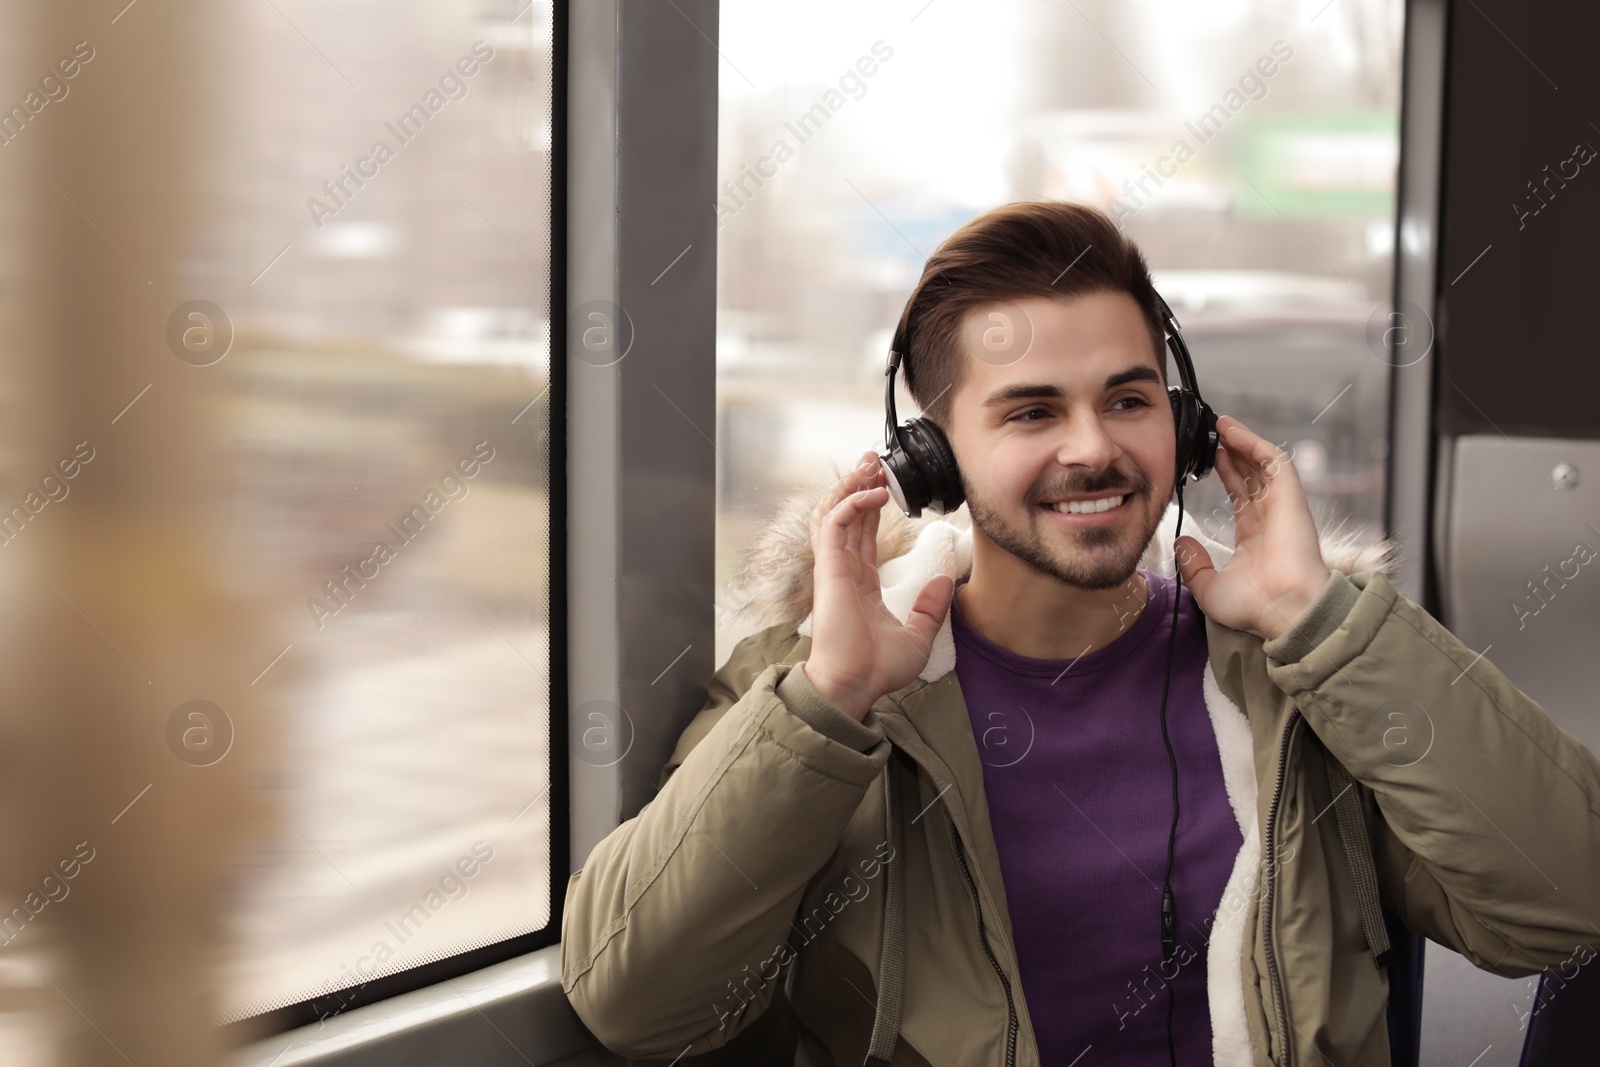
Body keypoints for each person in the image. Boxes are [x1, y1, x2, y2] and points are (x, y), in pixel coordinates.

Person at [560, 200, 1600, 1066]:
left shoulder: (1306, 672)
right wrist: (826, 700)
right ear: (932, 459)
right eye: (1029, 413)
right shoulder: (818, 692)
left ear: (1185, 426)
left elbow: (1565, 905)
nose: (1093, 448)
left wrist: (1320, 620)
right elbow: (636, 1005)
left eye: (1127, 398)